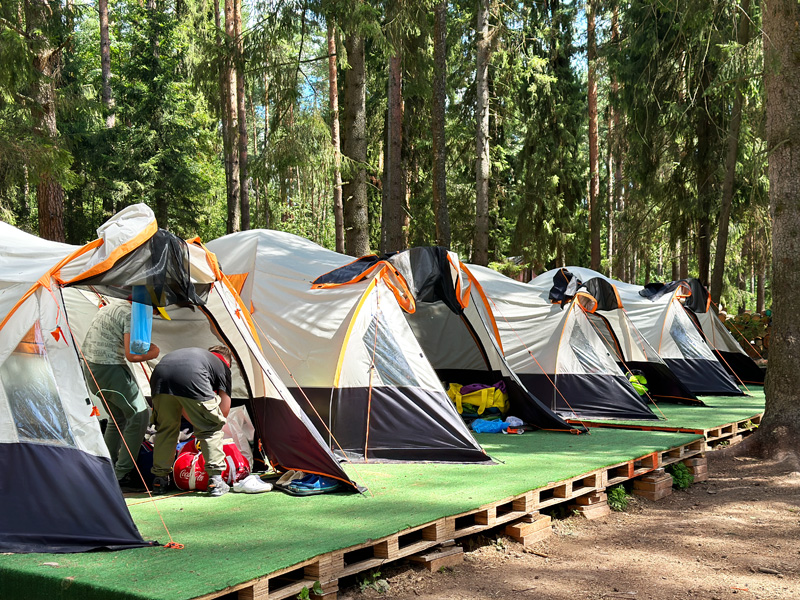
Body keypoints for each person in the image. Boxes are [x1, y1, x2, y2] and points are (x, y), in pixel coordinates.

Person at [82, 299, 160, 490]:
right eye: (155, 313)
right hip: (110, 368)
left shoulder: (113, 306)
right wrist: (155, 352)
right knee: (140, 415)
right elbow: (131, 355)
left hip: (91, 368)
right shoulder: (131, 314)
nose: (154, 316)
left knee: (117, 419)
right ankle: (121, 474)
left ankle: (105, 470)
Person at [150, 345, 233, 497]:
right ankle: (215, 480)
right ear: (228, 362)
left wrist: (197, 419)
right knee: (211, 427)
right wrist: (205, 423)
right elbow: (224, 410)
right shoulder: (223, 366)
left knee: (166, 429)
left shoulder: (201, 357)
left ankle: (159, 481)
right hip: (192, 376)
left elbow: (183, 404)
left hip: (160, 375)